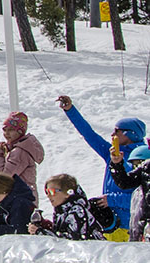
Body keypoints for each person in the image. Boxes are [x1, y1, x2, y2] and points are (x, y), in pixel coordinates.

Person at [57, 94, 144, 239]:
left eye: (117, 131)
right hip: (111, 224)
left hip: (131, 227)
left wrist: (111, 199)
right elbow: (89, 135)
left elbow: (141, 197)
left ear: (130, 134)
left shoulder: (142, 159)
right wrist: (70, 110)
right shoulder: (112, 153)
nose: (112, 134)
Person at [29, 174, 105, 240]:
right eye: (47, 192)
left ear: (67, 193)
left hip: (92, 254)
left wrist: (41, 232)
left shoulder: (77, 211)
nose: (48, 195)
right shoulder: (61, 211)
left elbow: (72, 241)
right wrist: (46, 226)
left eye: (52, 191)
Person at [0, 111, 44, 203]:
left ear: (20, 131)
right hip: (22, 196)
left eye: (11, 130)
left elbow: (4, 177)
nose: (6, 133)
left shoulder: (19, 152)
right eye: (5, 129)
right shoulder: (18, 149)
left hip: (20, 199)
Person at [108, 143, 150, 241]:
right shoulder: (147, 167)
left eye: (138, 163)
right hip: (143, 229)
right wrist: (117, 164)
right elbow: (124, 182)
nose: (136, 166)